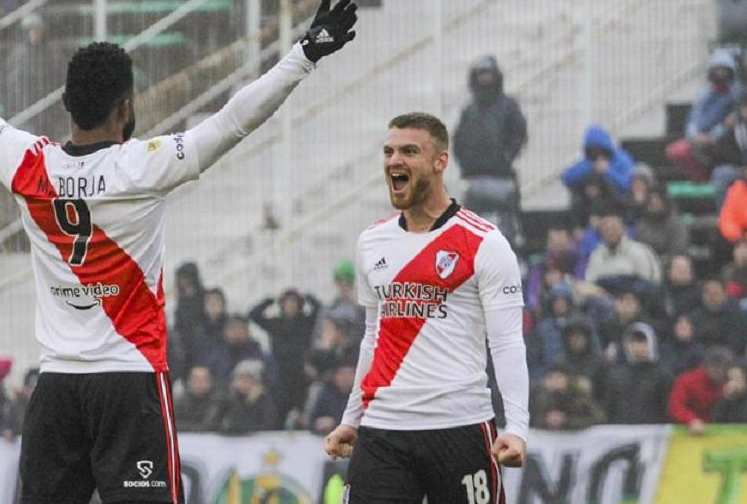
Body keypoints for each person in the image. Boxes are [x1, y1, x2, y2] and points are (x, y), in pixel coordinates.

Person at [0, 0, 359, 503]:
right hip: (129, 383)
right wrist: (304, 53)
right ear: (126, 108)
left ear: (65, 103)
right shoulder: (145, 165)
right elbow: (233, 121)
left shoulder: (25, 161)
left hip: (56, 386)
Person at [323, 113, 529, 503]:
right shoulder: (372, 241)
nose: (393, 161)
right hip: (383, 430)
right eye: (388, 151)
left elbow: (506, 343)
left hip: (459, 427)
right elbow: (373, 338)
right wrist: (352, 419)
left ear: (440, 162)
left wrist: (517, 426)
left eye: (409, 151)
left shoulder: (484, 242)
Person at [452, 55, 528, 244]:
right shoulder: (469, 111)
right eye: (481, 74)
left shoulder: (508, 106)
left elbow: (519, 133)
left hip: (501, 178)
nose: (485, 79)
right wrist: (466, 162)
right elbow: (458, 140)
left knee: (506, 231)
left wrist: (506, 156)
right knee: (471, 233)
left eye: (488, 74)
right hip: (473, 178)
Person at [667, 49, 743, 181]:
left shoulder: (736, 95)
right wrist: (696, 136)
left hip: (722, 142)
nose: (720, 74)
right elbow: (693, 119)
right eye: (717, 70)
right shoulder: (704, 93)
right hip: (700, 139)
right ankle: (700, 178)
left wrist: (712, 136)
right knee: (676, 151)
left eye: (723, 71)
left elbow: (730, 122)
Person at [248, 289, 320, 424]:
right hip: (279, 374)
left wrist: (308, 296)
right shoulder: (275, 323)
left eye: (294, 302)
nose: (290, 306)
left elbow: (319, 311)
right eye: (287, 302)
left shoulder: (305, 322)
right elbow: (253, 315)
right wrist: (269, 300)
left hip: (300, 374)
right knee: (278, 411)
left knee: (301, 411)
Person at [599, 324, 673, 424]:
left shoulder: (662, 375)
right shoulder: (616, 375)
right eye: (632, 342)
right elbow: (609, 408)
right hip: (621, 433)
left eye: (642, 342)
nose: (637, 347)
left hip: (652, 434)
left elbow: (667, 409)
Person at [561, 125, 634, 226]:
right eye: (592, 149)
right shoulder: (588, 162)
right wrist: (592, 167)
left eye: (599, 148)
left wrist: (608, 171)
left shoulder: (622, 159)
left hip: (617, 205)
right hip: (590, 207)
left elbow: (629, 184)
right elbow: (566, 178)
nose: (596, 152)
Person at [584, 213, 662, 289]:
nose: (610, 233)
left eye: (614, 228)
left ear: (623, 229)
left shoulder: (639, 251)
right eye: (606, 230)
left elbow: (650, 282)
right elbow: (590, 283)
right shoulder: (596, 255)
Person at [669, 347, 734, 434]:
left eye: (724, 371)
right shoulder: (687, 381)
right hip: (690, 431)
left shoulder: (731, 381)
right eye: (718, 371)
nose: (721, 375)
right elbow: (676, 406)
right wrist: (691, 420)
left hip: (723, 431)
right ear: (708, 367)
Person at [529, 364, 604, 430]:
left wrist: (566, 421)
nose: (555, 381)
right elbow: (535, 419)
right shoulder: (544, 397)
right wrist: (547, 420)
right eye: (551, 377)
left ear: (567, 379)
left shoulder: (578, 395)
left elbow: (598, 418)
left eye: (559, 377)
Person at [219, 359, 277, 434]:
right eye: (240, 379)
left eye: (247, 380)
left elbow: (268, 424)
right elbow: (222, 422)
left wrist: (250, 403)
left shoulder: (264, 399)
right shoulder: (228, 398)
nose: (243, 383)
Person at [172, 365, 224, 432]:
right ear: (189, 382)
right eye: (196, 380)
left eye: (203, 380)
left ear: (210, 382)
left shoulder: (217, 401)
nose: (199, 384)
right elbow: (173, 423)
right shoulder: (179, 401)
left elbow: (210, 424)